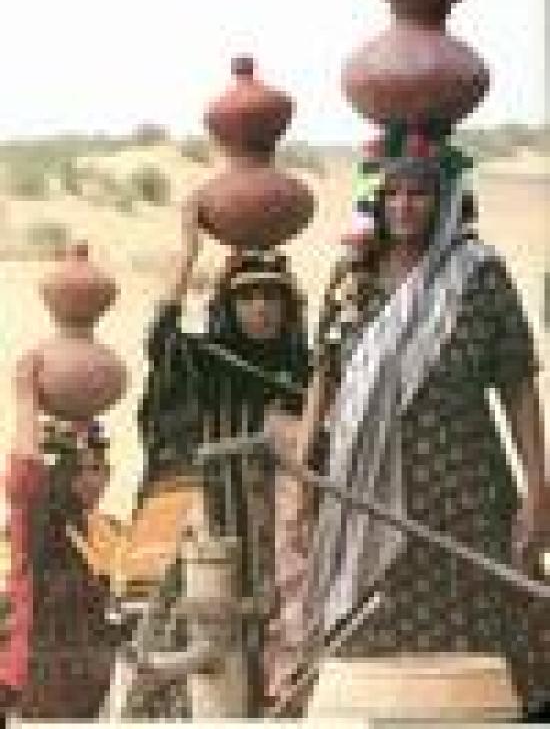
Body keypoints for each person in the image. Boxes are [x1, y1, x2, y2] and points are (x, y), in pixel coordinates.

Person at [296, 146, 550, 721]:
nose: (404, 207)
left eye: (419, 194)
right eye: (392, 194)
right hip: (363, 496)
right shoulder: (353, 279)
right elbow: (324, 379)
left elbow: (518, 384)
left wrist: (538, 489)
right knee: (367, 632)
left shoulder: (478, 275)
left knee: (481, 633)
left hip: (461, 486)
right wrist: (307, 482)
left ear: (446, 202)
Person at [131, 195, 311, 717]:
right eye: (248, 296)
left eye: (272, 296)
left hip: (289, 539)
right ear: (229, 306)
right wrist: (189, 250)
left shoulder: (307, 372)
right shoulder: (208, 362)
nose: (261, 307)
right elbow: (161, 339)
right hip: (217, 527)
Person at [0, 352, 116, 720]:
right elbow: (24, 477)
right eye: (87, 468)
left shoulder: (104, 529)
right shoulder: (37, 523)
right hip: (35, 682)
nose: (100, 477)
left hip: (89, 685)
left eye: (102, 467)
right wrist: (26, 400)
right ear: (63, 474)